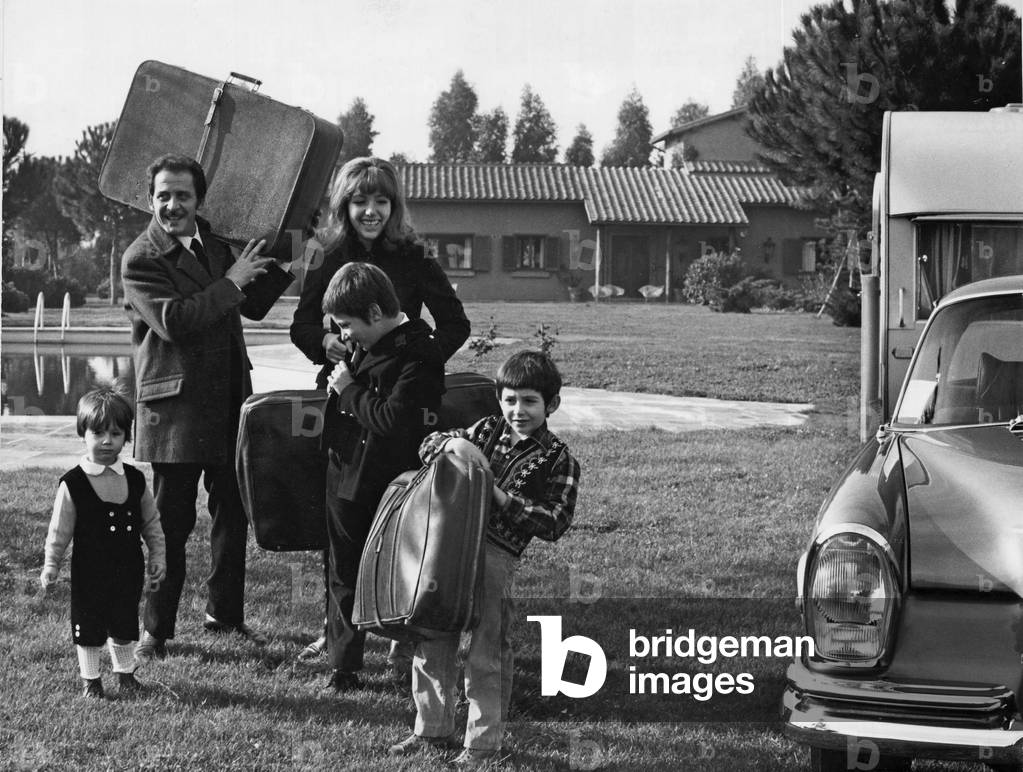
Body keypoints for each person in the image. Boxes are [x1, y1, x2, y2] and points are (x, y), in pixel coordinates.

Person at [289, 156, 470, 671]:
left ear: (394, 206)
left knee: (398, 530)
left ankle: (399, 630)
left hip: (397, 414)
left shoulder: (412, 255)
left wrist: (419, 362)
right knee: (342, 535)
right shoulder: (325, 254)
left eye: (381, 201)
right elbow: (302, 326)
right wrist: (334, 343)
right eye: (360, 200)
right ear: (344, 204)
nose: (370, 211)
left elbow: (454, 323)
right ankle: (338, 639)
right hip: (346, 402)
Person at [121, 154, 294, 660]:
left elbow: (255, 302)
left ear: (199, 200)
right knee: (169, 523)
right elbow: (176, 320)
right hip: (174, 412)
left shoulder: (218, 248)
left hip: (228, 402)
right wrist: (233, 280)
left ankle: (225, 616)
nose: (173, 205)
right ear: (151, 200)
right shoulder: (141, 257)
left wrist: (287, 256)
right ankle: (155, 630)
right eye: (163, 196)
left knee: (231, 513)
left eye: (183, 196)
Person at [387, 350, 581, 768]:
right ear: (498, 399)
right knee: (434, 638)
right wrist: (453, 442)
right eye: (510, 400)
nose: (518, 410)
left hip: (497, 558)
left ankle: (482, 744)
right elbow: (429, 445)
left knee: (487, 651)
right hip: (448, 549)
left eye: (530, 401)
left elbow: (554, 522)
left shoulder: (558, 458)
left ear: (552, 405)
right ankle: (431, 731)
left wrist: (501, 498)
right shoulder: (485, 429)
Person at [318, 261, 446, 693]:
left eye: (347, 324)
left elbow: (394, 419)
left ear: (375, 312)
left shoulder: (421, 353)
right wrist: (341, 378)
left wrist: (349, 388)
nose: (344, 334)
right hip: (345, 474)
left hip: (390, 485)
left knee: (398, 571)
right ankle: (344, 665)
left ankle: (406, 649)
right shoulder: (364, 344)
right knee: (342, 571)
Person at [40, 388, 167, 698]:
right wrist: (51, 565)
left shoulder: (135, 480)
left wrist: (158, 555)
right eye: (98, 433)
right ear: (83, 433)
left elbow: (151, 523)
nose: (107, 441)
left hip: (129, 568)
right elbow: (59, 530)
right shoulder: (74, 483)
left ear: (127, 436)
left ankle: (125, 675)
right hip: (89, 571)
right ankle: (91, 681)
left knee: (124, 623)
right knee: (89, 625)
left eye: (116, 433)